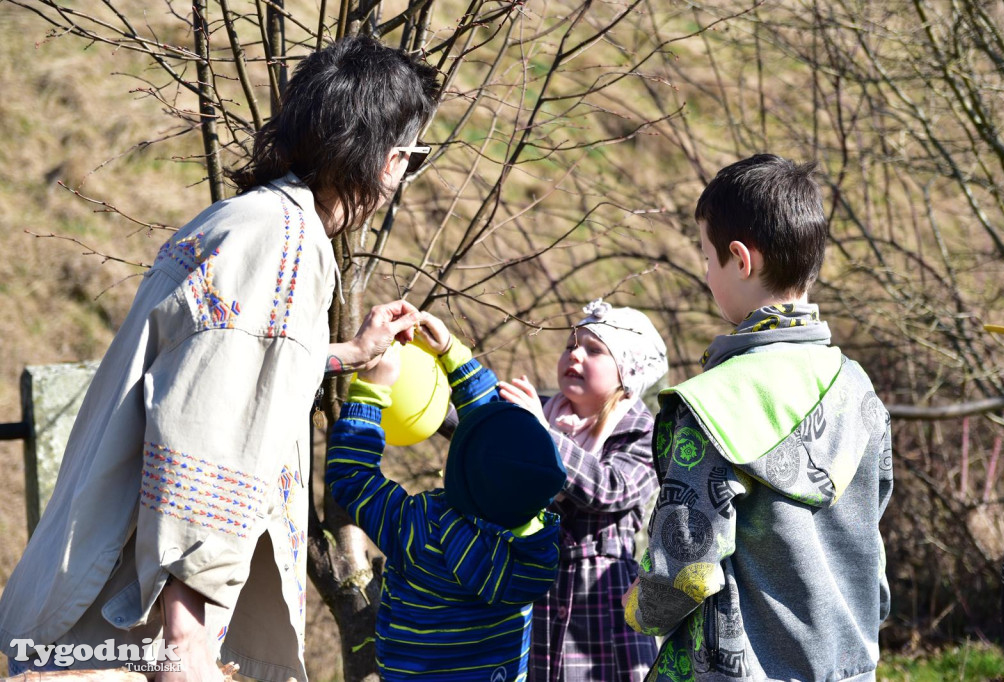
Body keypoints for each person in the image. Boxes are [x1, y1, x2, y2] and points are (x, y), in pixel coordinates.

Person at [0, 35, 440, 682]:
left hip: (106, 611)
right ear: (390, 163)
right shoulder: (287, 247)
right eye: (412, 159)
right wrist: (188, 634)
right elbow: (209, 427)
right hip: (143, 634)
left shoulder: (245, 221)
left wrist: (346, 352)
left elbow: (233, 363)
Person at [622, 154, 893, 681]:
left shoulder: (711, 404)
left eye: (707, 257)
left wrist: (638, 606)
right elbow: (871, 539)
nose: (706, 274)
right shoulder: (858, 389)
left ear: (741, 259)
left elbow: (688, 571)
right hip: (847, 666)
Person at [325, 313, 566, 681]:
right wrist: (452, 353)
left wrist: (371, 390)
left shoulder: (425, 529)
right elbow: (501, 447)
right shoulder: (538, 539)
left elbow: (352, 477)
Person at [498, 299, 667, 681]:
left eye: (593, 350)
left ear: (627, 373)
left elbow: (611, 488)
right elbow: (480, 421)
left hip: (604, 610)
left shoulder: (645, 434)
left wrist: (542, 435)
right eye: (570, 346)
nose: (574, 355)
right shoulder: (540, 412)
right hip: (536, 599)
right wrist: (446, 356)